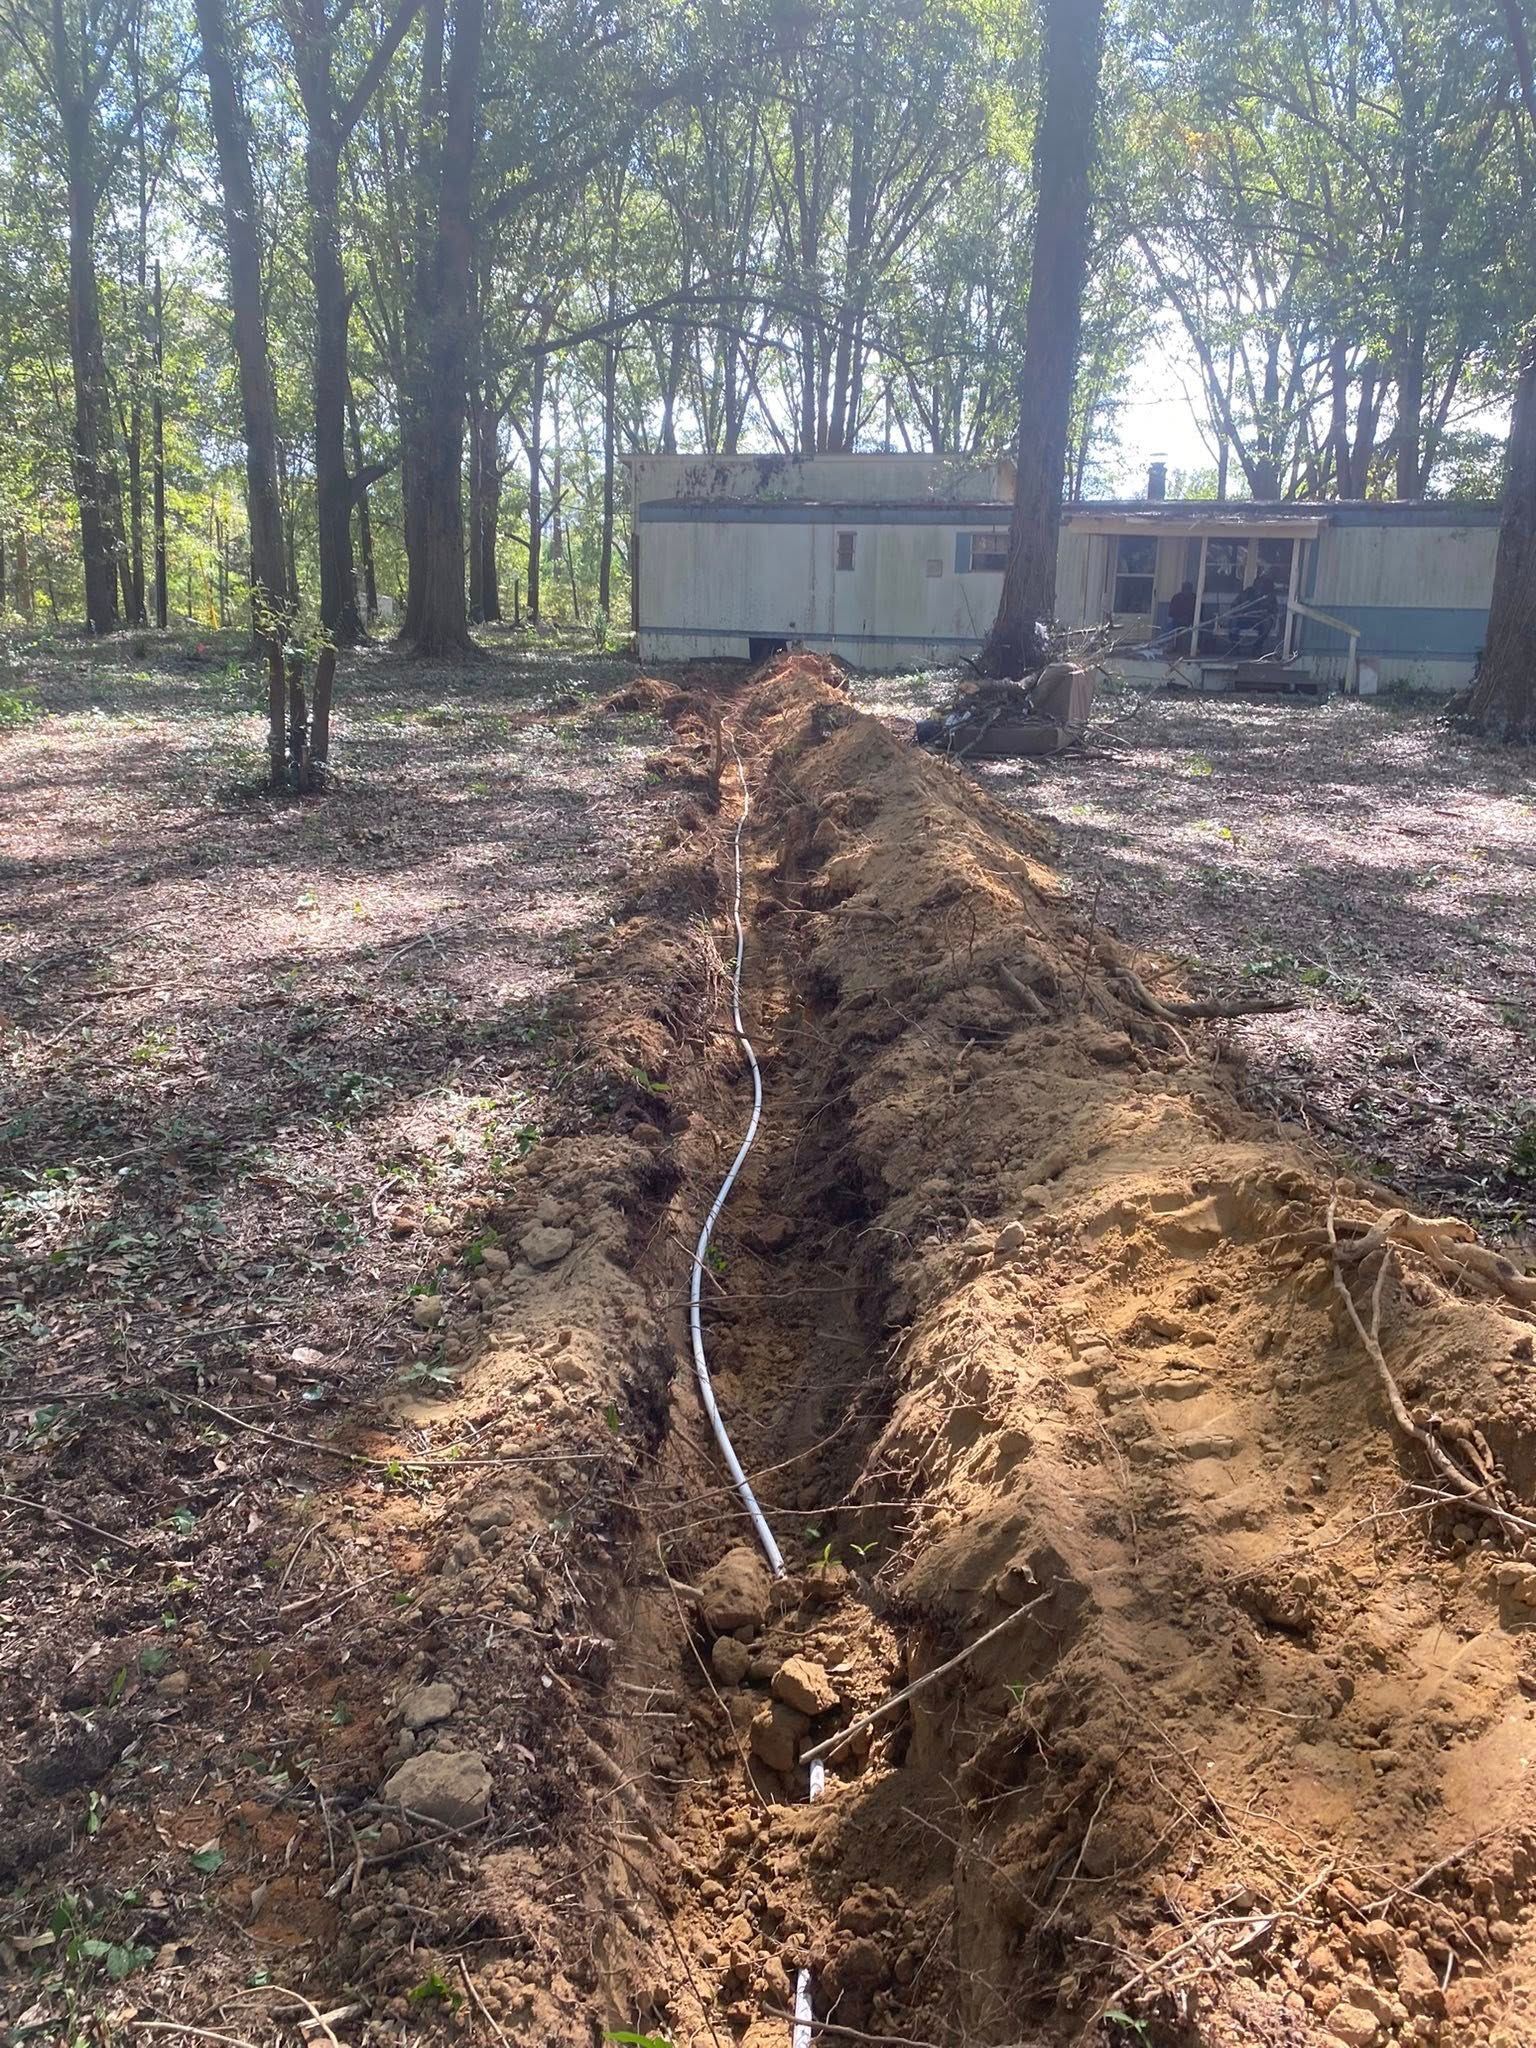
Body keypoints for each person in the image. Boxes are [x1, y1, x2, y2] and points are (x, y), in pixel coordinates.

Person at [1231, 568, 1279, 655]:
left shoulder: (1270, 596)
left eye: (1263, 585)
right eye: (1258, 584)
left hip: (1260, 621)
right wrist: (1238, 612)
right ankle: (1234, 648)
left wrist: (1268, 612)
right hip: (1245, 618)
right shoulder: (1247, 592)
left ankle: (1257, 647)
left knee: (1267, 623)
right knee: (1233, 621)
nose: (1260, 586)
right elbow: (1234, 605)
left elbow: (1275, 610)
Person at [1167, 580, 1197, 657]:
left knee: (1195, 629)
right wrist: (1179, 618)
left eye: (1188, 589)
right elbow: (1171, 612)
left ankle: (1191, 648)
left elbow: (1197, 611)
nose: (1187, 591)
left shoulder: (1194, 598)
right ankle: (1171, 646)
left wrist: (1191, 619)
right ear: (1182, 589)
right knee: (1171, 626)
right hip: (1178, 620)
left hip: (1190, 620)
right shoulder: (1176, 597)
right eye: (1185, 589)